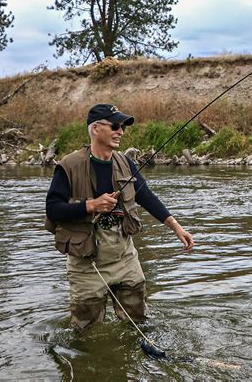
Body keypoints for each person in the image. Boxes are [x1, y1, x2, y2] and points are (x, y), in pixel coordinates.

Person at [45, 103, 194, 331]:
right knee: (87, 330)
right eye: (115, 126)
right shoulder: (69, 166)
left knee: (140, 321)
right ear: (95, 129)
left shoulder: (126, 163)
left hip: (125, 256)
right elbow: (53, 209)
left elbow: (147, 197)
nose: (121, 132)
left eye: (122, 127)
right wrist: (91, 205)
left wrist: (176, 227)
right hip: (87, 263)